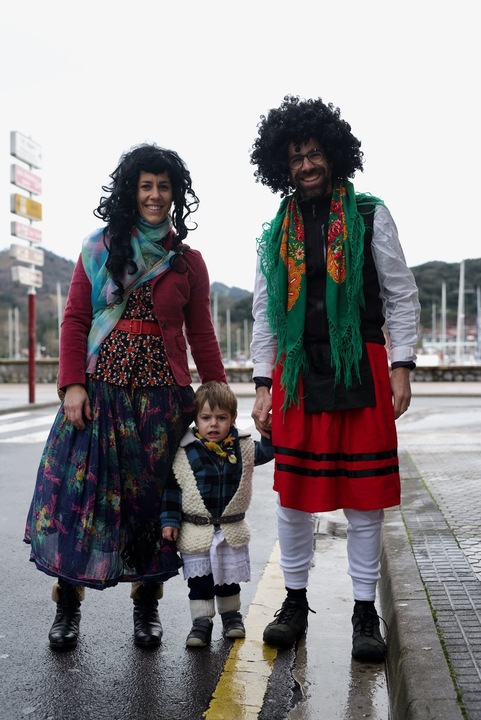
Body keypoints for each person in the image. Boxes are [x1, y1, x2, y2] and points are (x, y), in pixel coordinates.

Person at [24, 143, 227, 650]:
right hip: (100, 396)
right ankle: (67, 605)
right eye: (146, 186)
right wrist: (72, 384)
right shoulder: (99, 248)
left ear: (175, 194)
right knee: (81, 501)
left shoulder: (187, 263)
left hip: (161, 404)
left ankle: (147, 606)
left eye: (164, 186)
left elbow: (201, 334)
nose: (155, 195)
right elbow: (75, 319)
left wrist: (218, 394)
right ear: (131, 192)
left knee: (152, 509)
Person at [249, 95, 420, 662]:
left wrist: (401, 366)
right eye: (296, 157)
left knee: (364, 499)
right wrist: (262, 383)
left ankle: (364, 612)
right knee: (293, 497)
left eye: (315, 153)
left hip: (361, 365)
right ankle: (294, 603)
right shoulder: (277, 230)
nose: (307, 165)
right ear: (283, 165)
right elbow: (265, 312)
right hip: (297, 371)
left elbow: (400, 294)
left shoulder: (370, 215)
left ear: (335, 155)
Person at [163, 381, 274, 648]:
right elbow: (172, 489)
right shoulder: (185, 451)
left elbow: (267, 452)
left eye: (221, 418)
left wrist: (268, 433)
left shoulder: (243, 447)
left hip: (229, 529)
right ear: (196, 420)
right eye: (206, 418)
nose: (213, 424)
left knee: (228, 578)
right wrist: (169, 521)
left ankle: (231, 617)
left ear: (233, 418)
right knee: (199, 581)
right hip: (196, 529)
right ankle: (201, 623)